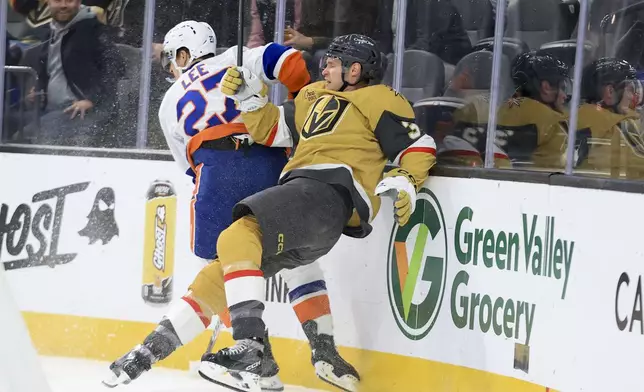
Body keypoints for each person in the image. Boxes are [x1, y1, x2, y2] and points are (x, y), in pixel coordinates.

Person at [102, 21, 359, 392]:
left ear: (185, 54)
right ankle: (324, 352)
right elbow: (288, 60)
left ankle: (254, 353)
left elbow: (191, 166)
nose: (173, 68)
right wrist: (305, 104)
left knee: (224, 269)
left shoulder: (168, 102)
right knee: (300, 261)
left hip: (217, 174)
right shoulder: (237, 57)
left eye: (174, 60)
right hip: (271, 160)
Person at [195, 34, 436, 391]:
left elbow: (418, 145)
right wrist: (248, 96)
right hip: (299, 190)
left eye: (333, 62)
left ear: (355, 70)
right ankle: (319, 355)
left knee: (247, 243)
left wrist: (406, 179)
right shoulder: (313, 95)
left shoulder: (380, 99)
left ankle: (256, 351)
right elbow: (274, 130)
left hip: (327, 196)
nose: (324, 66)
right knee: (261, 256)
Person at [575, 57, 644, 179]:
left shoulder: (580, 118)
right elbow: (638, 164)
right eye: (630, 90)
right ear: (610, 92)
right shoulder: (613, 129)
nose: (632, 96)